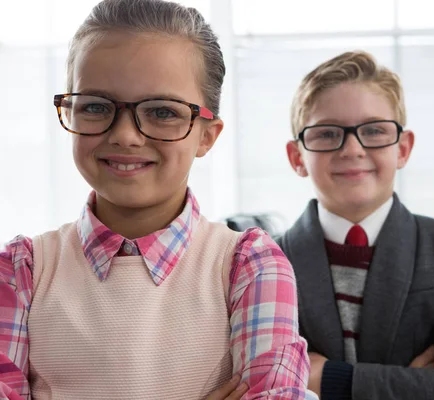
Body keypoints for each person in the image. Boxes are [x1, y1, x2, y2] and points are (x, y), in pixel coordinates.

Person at [0, 1, 315, 399]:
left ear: (206, 135)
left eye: (162, 112)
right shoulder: (21, 271)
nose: (126, 136)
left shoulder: (249, 267)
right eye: (96, 107)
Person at [276, 50, 434, 399]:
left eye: (374, 130)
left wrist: (328, 378)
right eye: (326, 133)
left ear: (403, 148)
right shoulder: (266, 260)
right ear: (297, 157)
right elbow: (258, 390)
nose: (352, 149)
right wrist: (411, 385)